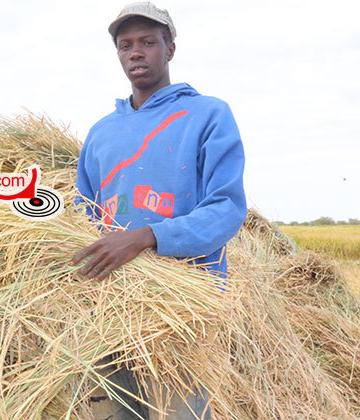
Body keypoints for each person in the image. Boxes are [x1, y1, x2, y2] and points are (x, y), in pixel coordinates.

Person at [70, 2, 247, 418]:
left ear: (169, 48)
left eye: (148, 42)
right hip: (109, 309)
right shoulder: (100, 133)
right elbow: (82, 212)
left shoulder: (207, 115)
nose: (136, 52)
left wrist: (147, 236)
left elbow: (226, 207)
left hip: (180, 311)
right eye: (125, 44)